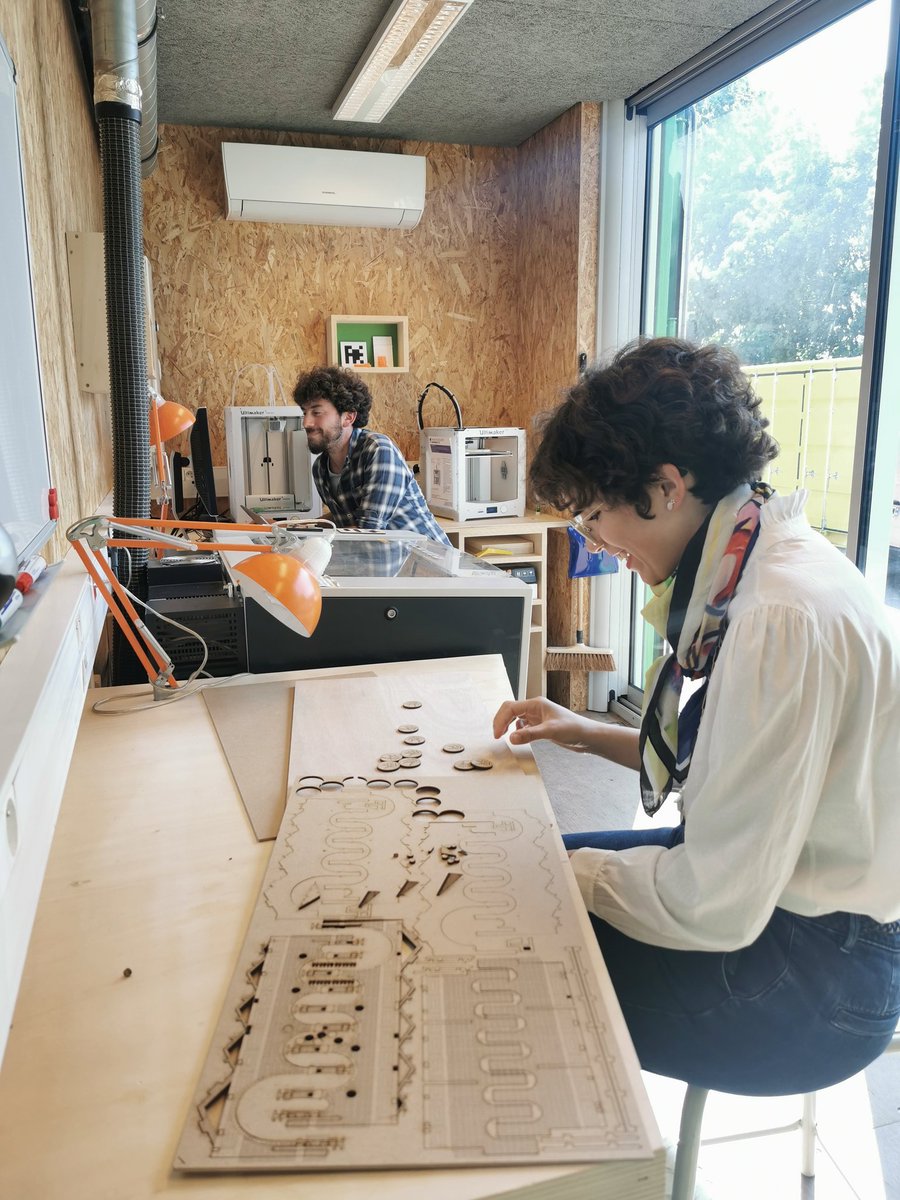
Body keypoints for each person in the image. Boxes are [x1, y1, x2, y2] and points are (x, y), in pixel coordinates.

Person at [493, 337, 900, 1096]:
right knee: (522, 868)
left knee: (508, 933)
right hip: (787, 905)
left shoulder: (777, 615)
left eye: (595, 516)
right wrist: (582, 732)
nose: (600, 544)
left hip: (818, 976)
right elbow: (722, 762)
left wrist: (562, 873)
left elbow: (714, 906)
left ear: (667, 486)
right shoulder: (758, 557)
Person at [292, 366, 450, 545]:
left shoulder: (378, 450)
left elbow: (368, 532)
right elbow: (345, 520)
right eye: (304, 412)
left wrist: (309, 538)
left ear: (348, 417)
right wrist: (292, 528)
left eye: (316, 412)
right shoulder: (321, 469)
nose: (306, 422)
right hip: (383, 567)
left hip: (427, 566)